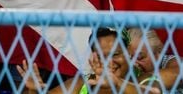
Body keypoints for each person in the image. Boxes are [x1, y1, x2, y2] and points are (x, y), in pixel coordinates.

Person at [17, 27, 161, 93]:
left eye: (115, 54)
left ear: (128, 52)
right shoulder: (84, 81)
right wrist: (32, 91)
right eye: (101, 57)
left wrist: (116, 83)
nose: (109, 63)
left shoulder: (143, 77)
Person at [127, 28, 183, 93]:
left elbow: (151, 81)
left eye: (140, 57)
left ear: (157, 52)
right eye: (129, 58)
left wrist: (120, 83)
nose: (133, 63)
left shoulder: (178, 64)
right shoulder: (130, 71)